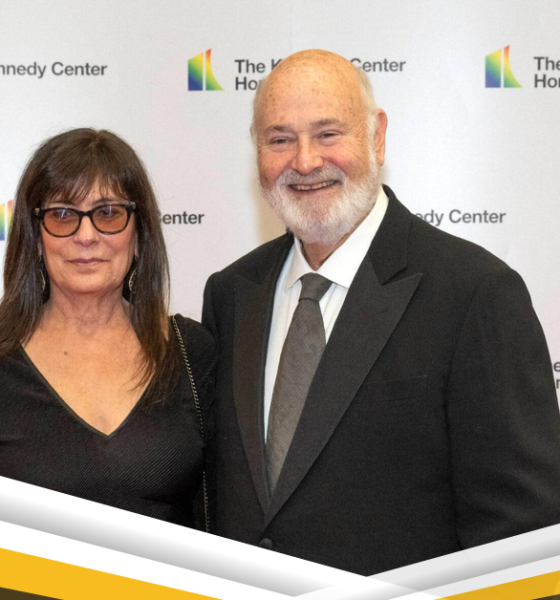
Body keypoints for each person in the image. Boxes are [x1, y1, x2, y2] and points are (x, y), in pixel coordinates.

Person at [203, 50, 560, 575]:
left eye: (328, 134)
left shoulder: (476, 294)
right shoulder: (232, 294)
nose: (305, 161)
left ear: (377, 137)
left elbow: (521, 537)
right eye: (280, 139)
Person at [0, 128, 214, 529]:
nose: (86, 236)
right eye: (62, 214)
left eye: (109, 213)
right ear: (36, 236)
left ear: (139, 235)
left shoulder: (192, 353)